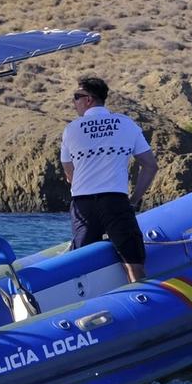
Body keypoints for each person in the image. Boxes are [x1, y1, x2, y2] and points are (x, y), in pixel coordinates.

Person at [60, 77, 158, 283]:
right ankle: (142, 300)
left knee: (83, 266)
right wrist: (133, 200)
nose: (73, 102)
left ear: (88, 100)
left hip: (83, 205)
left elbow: (70, 175)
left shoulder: (71, 130)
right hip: (115, 201)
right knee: (133, 264)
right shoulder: (126, 124)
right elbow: (150, 165)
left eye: (76, 97)